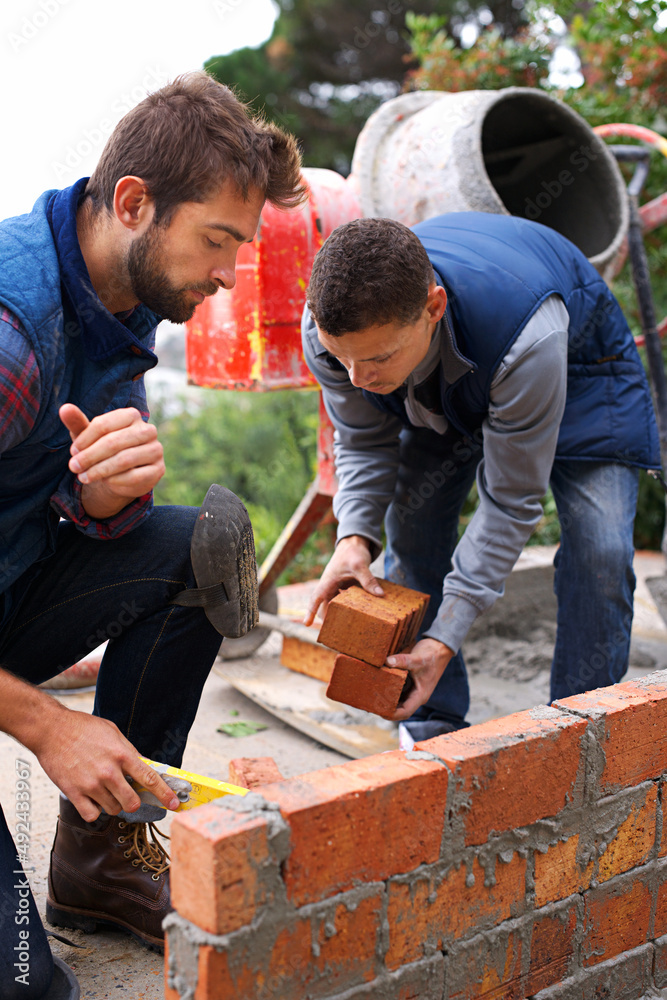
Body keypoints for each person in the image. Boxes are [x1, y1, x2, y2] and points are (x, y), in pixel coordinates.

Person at [0, 71, 305, 998]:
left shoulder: (123, 300)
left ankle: (99, 858)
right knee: (21, 980)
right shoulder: (10, 338)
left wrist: (96, 507)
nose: (228, 273)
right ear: (134, 203)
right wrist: (48, 725)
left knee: (192, 543)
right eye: (217, 240)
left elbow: (79, 507)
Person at [302, 213, 660, 745]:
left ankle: (579, 734)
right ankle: (431, 720)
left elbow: (511, 501)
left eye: (375, 358)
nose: (358, 380)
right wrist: (353, 537)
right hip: (444, 372)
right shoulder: (339, 337)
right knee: (414, 522)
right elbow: (363, 442)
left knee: (600, 550)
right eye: (342, 359)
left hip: (579, 372)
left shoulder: (526, 340)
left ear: (433, 307)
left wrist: (445, 635)